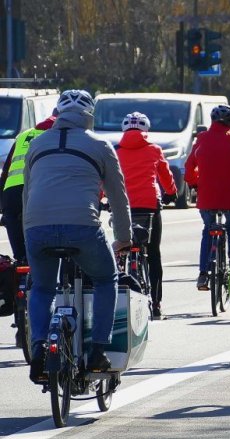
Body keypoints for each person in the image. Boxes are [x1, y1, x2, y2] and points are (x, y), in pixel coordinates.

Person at [24, 89, 132, 381]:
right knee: (106, 279)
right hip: (82, 226)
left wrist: (28, 236)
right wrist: (123, 236)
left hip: (36, 227)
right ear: (89, 115)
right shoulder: (100, 145)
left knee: (42, 288)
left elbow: (27, 195)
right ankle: (98, 351)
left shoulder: (36, 143)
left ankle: (39, 349)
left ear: (58, 113)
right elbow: (118, 197)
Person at [116, 112, 178, 319]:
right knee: (153, 254)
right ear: (146, 130)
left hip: (123, 205)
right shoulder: (154, 149)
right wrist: (171, 192)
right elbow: (165, 174)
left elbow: (105, 178)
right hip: (149, 204)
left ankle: (120, 295)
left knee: (121, 249)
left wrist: (101, 198)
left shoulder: (116, 151)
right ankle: (157, 304)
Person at [185, 105, 230, 291]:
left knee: (208, 230)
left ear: (212, 120)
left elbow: (189, 167)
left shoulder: (202, 139)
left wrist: (195, 183)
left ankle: (203, 274)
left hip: (207, 197)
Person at [0, 108, 57, 262]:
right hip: (39, 189)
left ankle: (21, 260)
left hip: (11, 191)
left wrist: (3, 203)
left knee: (12, 220)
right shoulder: (59, 135)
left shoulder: (24, 135)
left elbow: (6, 170)